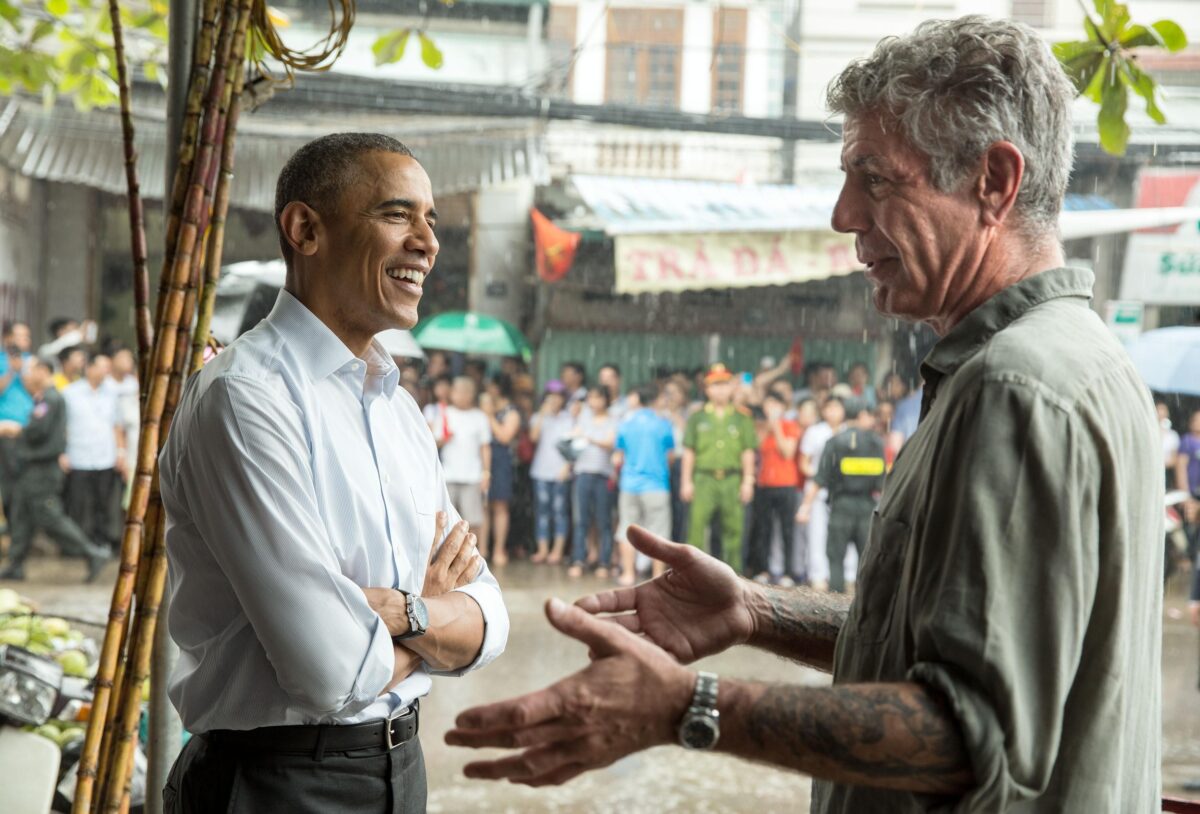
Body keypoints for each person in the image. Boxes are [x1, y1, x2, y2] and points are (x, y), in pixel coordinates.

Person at [445, 18, 1162, 813]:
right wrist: (756, 610)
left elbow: (970, 735)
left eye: (877, 179)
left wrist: (685, 706)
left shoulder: (1017, 387)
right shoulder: (1076, 361)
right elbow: (940, 641)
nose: (843, 213)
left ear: (993, 181)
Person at [159, 132, 508, 813]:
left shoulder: (399, 410)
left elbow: (491, 618)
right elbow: (329, 671)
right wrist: (433, 622)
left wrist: (399, 611)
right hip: (275, 783)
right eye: (396, 214)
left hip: (401, 768)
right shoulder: (246, 397)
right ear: (306, 229)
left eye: (431, 221)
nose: (427, 243)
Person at [0, 358, 110, 582]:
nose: (28, 375)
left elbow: (37, 431)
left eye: (32, 370)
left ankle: (92, 553)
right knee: (21, 514)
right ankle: (16, 563)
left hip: (42, 470)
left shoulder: (50, 398)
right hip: (30, 469)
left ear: (43, 371)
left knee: (50, 517)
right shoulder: (44, 398)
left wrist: (15, 429)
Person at [799, 399, 885, 593]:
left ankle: (836, 603)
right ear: (862, 415)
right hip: (867, 507)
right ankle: (864, 604)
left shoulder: (835, 442)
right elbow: (883, 483)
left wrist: (805, 507)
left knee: (836, 558)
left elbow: (819, 479)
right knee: (866, 558)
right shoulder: (875, 443)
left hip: (840, 507)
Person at [681, 363, 757, 571]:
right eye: (715, 385)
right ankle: (693, 575)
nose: (720, 389)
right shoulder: (697, 418)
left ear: (732, 388)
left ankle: (734, 578)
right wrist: (686, 482)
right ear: (706, 389)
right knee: (696, 529)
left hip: (733, 480)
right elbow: (689, 452)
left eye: (724, 384)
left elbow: (747, 452)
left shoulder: (742, 418)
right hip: (703, 479)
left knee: (734, 531)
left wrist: (748, 481)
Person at [63, 352, 126, 552]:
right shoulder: (70, 393)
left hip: (105, 456)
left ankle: (101, 543)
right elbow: (62, 426)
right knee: (79, 503)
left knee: (103, 503)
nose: (106, 371)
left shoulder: (112, 393)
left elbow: (117, 426)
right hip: (78, 455)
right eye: (102, 366)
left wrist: (121, 452)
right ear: (89, 368)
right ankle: (78, 545)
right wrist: (62, 452)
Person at [614, 384, 675, 586]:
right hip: (657, 485)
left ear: (638, 399)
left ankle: (628, 573)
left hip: (629, 484)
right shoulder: (662, 424)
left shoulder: (627, 423)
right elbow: (671, 456)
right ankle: (657, 577)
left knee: (627, 528)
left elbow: (618, 456)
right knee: (658, 532)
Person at [748, 390, 802, 586]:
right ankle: (763, 569)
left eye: (774, 406)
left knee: (787, 530)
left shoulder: (790, 426)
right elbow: (756, 446)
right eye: (767, 406)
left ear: (782, 408)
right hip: (764, 484)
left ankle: (788, 571)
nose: (770, 410)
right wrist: (766, 428)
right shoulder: (761, 427)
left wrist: (776, 426)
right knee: (763, 528)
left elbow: (787, 452)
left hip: (786, 484)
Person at [568, 386, 617, 579]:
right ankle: (578, 559)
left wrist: (589, 438)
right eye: (591, 398)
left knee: (604, 520)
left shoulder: (613, 420)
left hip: (603, 475)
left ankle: (604, 562)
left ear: (606, 400)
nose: (593, 402)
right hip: (582, 473)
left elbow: (610, 443)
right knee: (581, 519)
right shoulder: (583, 418)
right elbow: (573, 439)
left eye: (597, 397)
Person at [798, 396, 846, 590]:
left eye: (837, 407)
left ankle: (846, 576)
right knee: (817, 534)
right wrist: (822, 475)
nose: (833, 412)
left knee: (843, 534)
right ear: (823, 410)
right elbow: (804, 463)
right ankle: (818, 576)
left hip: (844, 490)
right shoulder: (815, 432)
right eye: (829, 408)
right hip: (818, 488)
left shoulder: (848, 432)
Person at [440, 376, 492, 546]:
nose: (460, 395)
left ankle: (473, 554)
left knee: (472, 520)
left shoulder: (479, 417)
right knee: (446, 520)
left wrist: (486, 473)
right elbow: (433, 442)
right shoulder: (444, 413)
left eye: (465, 392)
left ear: (471, 394)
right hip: (447, 475)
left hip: (472, 476)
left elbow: (485, 447)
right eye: (457, 391)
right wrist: (444, 439)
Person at [529, 381, 573, 564]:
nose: (555, 401)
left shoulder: (570, 418)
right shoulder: (538, 417)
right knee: (542, 512)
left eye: (558, 397)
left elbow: (574, 445)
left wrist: (567, 466)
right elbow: (533, 437)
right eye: (551, 397)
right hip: (540, 471)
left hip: (560, 471)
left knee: (560, 511)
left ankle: (557, 550)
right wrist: (541, 414)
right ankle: (543, 549)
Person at [482, 375, 521, 566]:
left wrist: (489, 416)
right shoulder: (483, 407)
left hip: (502, 460)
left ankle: (499, 548)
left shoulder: (511, 412)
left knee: (500, 505)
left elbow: (504, 437)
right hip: (482, 458)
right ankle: (483, 549)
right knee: (483, 505)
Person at [0, 321, 33, 523]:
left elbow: (37, 392)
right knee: (8, 480)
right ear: (8, 338)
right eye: (21, 336)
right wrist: (11, 371)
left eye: (27, 337)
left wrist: (22, 369)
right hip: (5, 430)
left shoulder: (33, 362)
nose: (25, 341)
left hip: (29, 429)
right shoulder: (2, 360)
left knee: (26, 480)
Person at [108, 347, 140, 489]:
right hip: (112, 444)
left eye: (129, 358)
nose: (128, 362)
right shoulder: (106, 384)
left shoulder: (133, 384)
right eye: (123, 358)